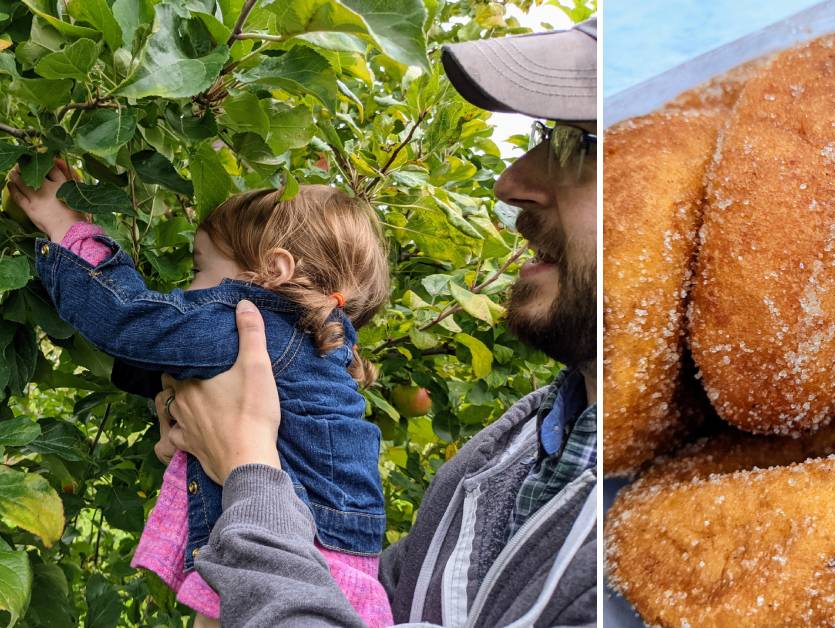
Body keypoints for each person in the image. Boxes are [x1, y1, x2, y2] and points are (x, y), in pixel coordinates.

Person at [156, 18, 598, 627]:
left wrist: (248, 473)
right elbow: (364, 607)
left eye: (584, 144)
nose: (511, 182)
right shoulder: (509, 455)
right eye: (545, 133)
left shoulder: (702, 551)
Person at [4, 170, 396, 626]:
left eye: (199, 271)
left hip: (279, 553)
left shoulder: (251, 321)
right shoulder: (312, 354)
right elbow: (161, 372)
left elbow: (127, 319)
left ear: (272, 272)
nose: (185, 292)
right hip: (325, 564)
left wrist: (68, 229)